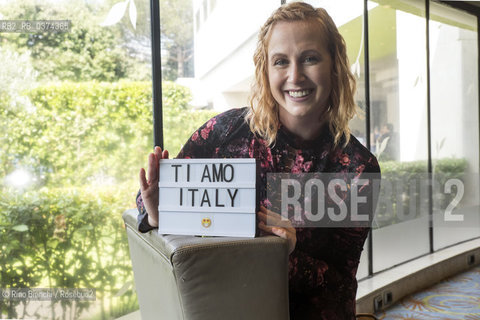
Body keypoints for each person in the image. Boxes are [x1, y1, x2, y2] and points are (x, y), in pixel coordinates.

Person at [137, 2, 380, 319]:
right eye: (281, 61)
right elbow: (157, 210)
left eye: (309, 58)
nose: (295, 76)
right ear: (265, 70)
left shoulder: (356, 168)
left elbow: (339, 286)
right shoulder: (225, 133)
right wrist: (156, 214)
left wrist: (285, 254)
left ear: (334, 65)